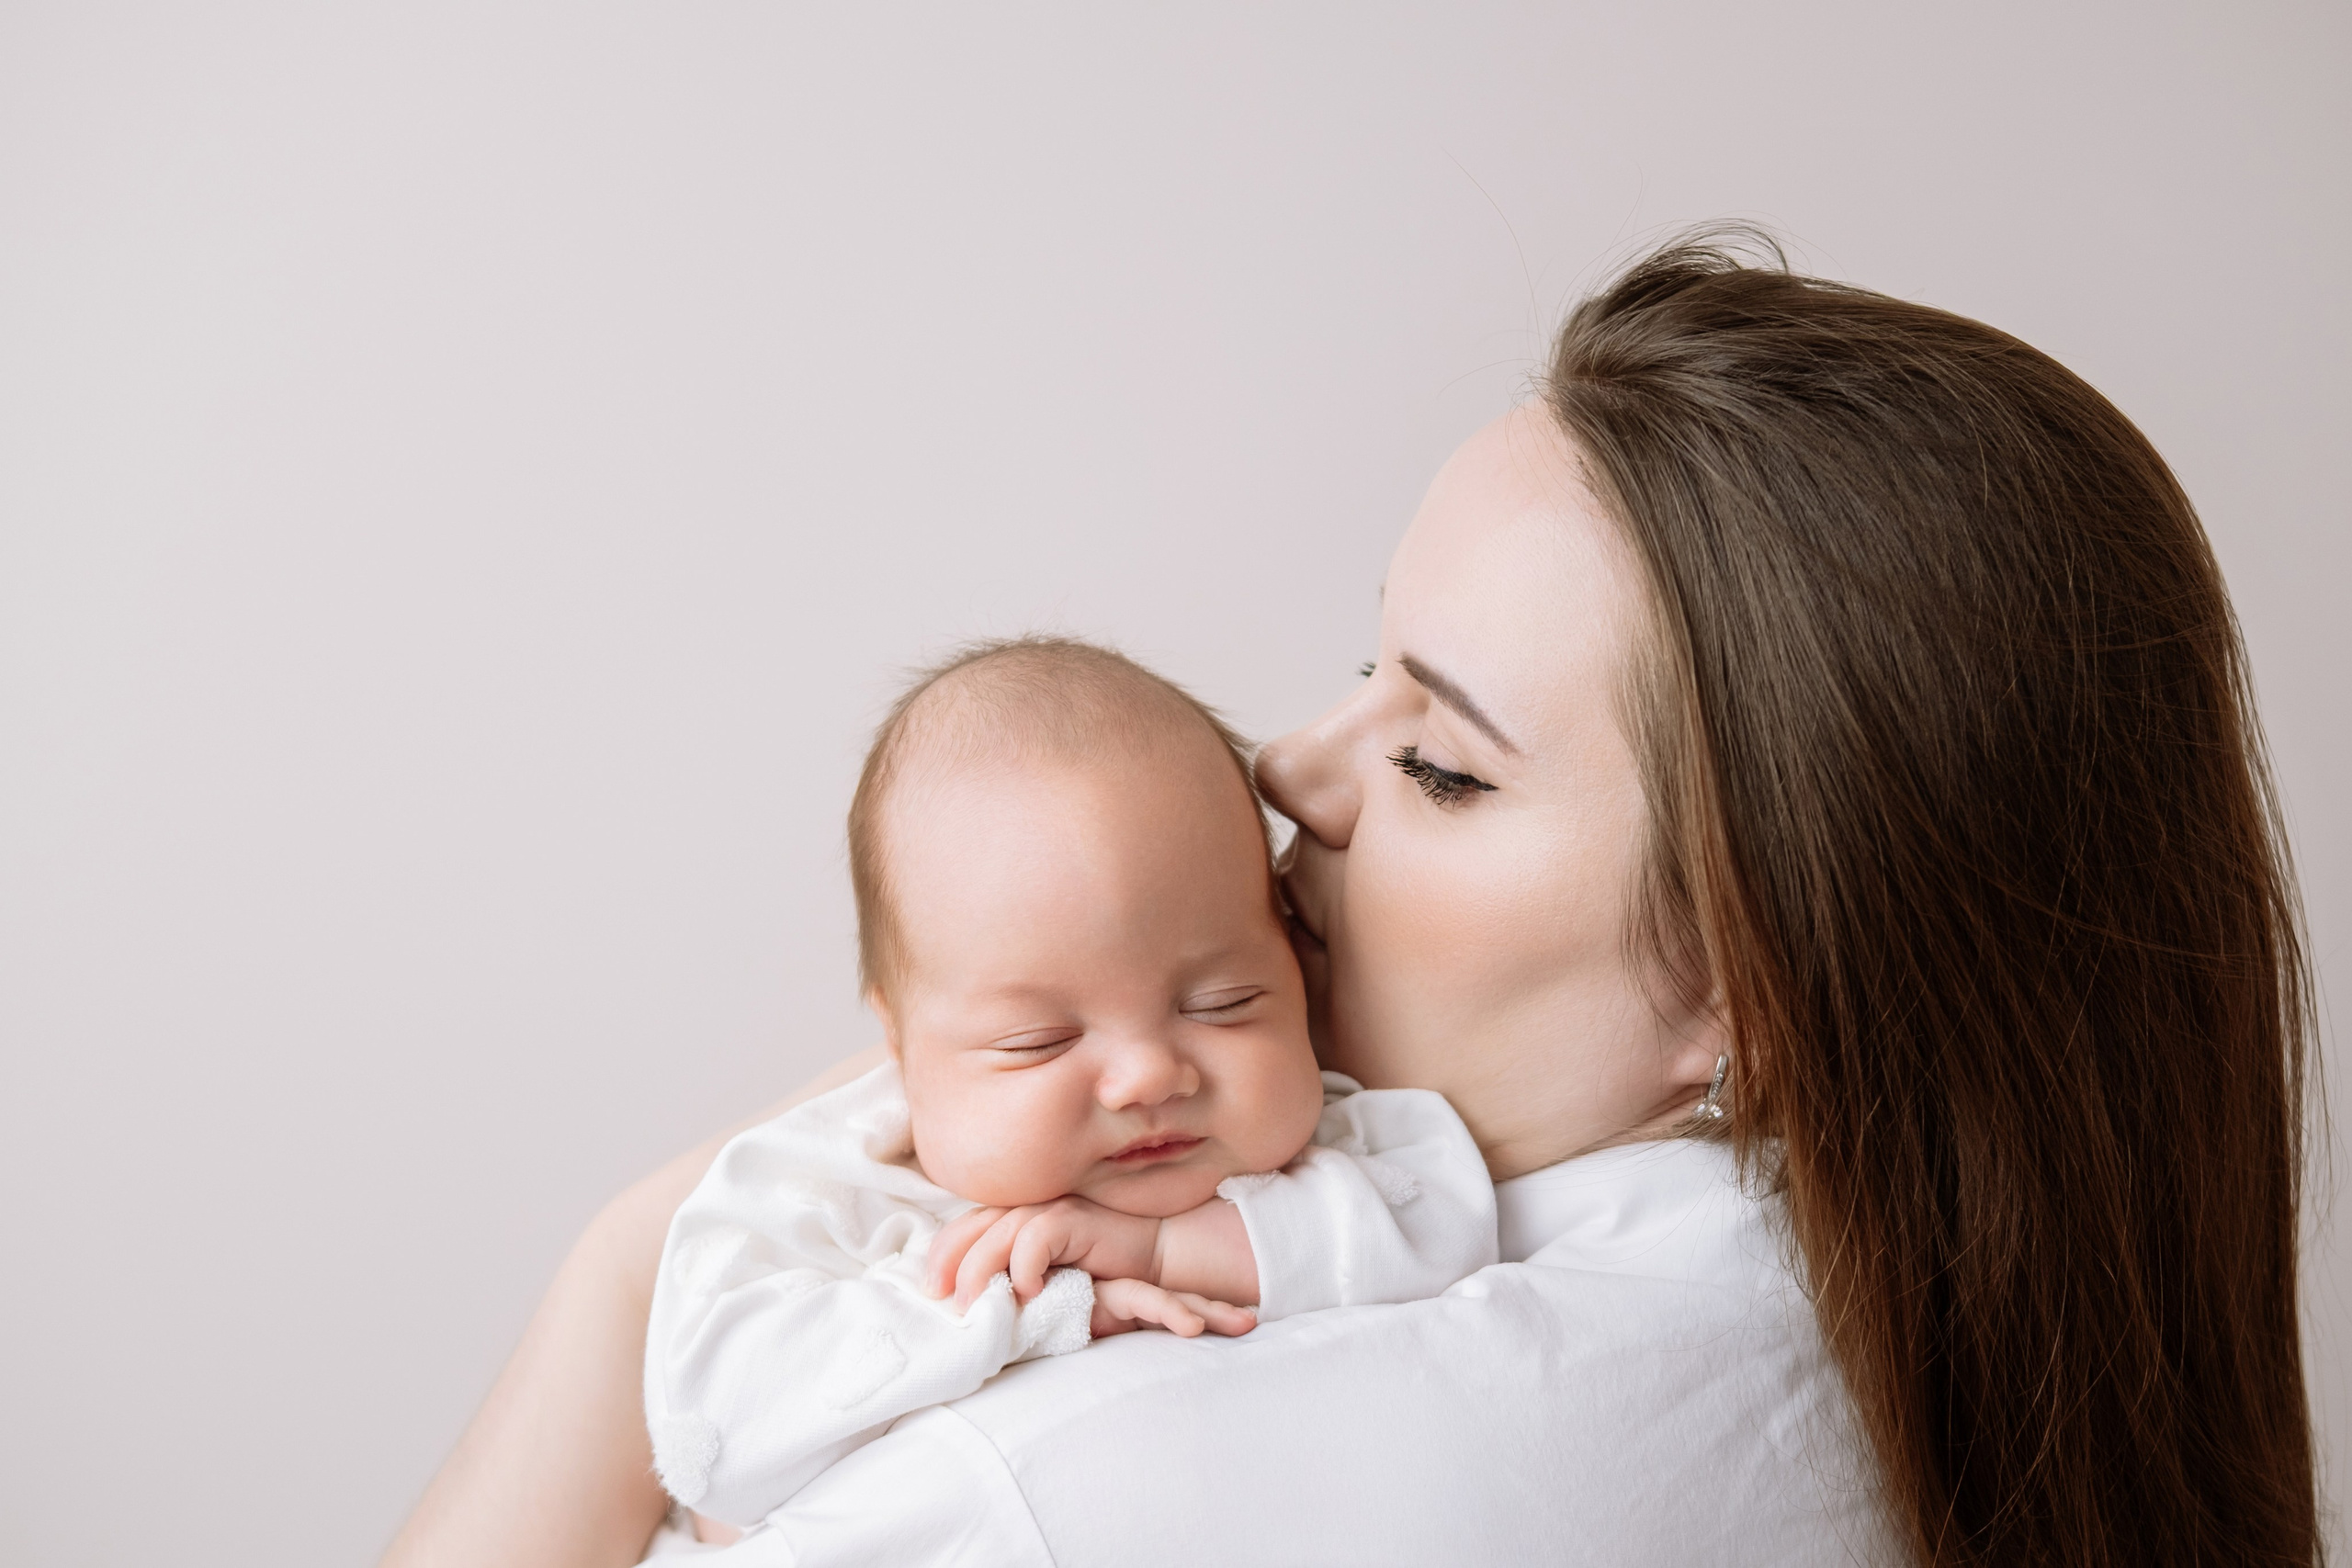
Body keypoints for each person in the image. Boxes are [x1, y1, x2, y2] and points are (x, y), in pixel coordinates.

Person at [380, 231, 2320, 1568]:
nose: (1294, 771)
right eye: (1363, 666)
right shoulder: (1925, 1342)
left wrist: (642, 1258)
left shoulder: (1075, 1483)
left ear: (1756, 979)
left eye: (1443, 762)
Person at [643, 637, 1495, 1535]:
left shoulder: (1334, 1138)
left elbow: (1445, 1222)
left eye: (1222, 1003)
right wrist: (1046, 1306)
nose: (1147, 1075)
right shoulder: (822, 1190)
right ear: (900, 1043)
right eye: (1040, 1041)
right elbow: (713, 1449)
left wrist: (1159, 1249)